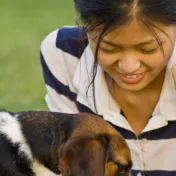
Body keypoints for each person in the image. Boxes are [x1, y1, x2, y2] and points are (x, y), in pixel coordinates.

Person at [40, 0, 176, 175]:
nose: (129, 67)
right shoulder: (64, 55)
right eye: (108, 48)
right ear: (86, 28)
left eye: (148, 49)